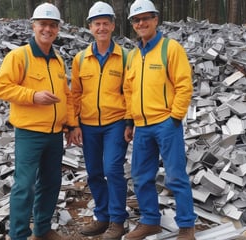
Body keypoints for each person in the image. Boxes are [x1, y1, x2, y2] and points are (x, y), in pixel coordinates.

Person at [0, 3, 77, 240]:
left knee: (50, 184)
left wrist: (71, 124)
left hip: (54, 135)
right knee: (25, 186)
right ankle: (19, 235)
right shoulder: (19, 56)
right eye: (43, 24)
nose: (47, 29)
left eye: (52, 25)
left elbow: (67, 96)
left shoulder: (58, 60)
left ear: (58, 29)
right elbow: (1, 87)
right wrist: (32, 96)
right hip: (29, 134)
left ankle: (42, 229)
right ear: (34, 26)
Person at [123, 0, 197, 240]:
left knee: (175, 176)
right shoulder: (133, 55)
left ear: (156, 19)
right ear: (133, 25)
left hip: (166, 124)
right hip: (142, 127)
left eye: (146, 18)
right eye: (136, 20)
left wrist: (174, 118)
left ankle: (186, 226)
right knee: (142, 177)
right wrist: (129, 121)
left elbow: (184, 85)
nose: (141, 23)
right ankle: (150, 221)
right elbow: (128, 91)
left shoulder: (170, 48)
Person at [69, 1, 129, 240]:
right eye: (97, 24)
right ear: (90, 27)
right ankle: (102, 217)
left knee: (113, 169)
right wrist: (74, 124)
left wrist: (129, 122)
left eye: (106, 23)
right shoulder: (81, 59)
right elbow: (75, 94)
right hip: (88, 124)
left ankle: (117, 220)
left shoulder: (125, 57)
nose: (102, 27)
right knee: (94, 172)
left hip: (115, 123)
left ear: (113, 26)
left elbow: (131, 92)